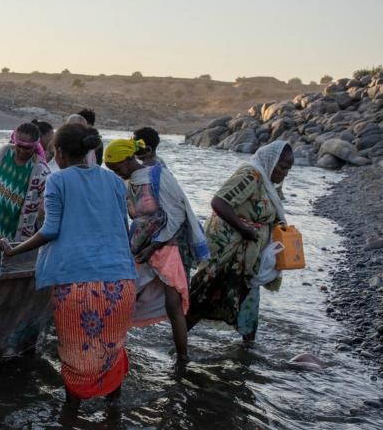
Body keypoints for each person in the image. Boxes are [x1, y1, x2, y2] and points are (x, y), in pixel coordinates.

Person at [0, 122, 137, 402]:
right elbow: (122, 228)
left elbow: (50, 230)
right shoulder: (114, 181)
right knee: (112, 351)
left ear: (59, 153)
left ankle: (71, 421)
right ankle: (112, 417)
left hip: (77, 285)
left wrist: (14, 250)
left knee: (76, 357)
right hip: (121, 282)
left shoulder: (57, 180)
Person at [104, 138, 209, 364]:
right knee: (127, 295)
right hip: (143, 244)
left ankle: (182, 358)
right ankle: (114, 348)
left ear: (130, 158)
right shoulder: (129, 181)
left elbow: (177, 215)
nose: (117, 173)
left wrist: (154, 245)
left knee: (174, 305)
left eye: (118, 168)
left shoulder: (159, 176)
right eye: (112, 170)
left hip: (170, 245)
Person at [187, 140, 295, 342]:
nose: (285, 173)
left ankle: (246, 356)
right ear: (271, 161)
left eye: (289, 169)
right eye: (283, 167)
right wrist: (244, 229)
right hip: (227, 252)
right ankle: (178, 348)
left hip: (247, 257)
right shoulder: (250, 175)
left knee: (248, 302)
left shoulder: (268, 184)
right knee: (205, 297)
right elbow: (219, 202)